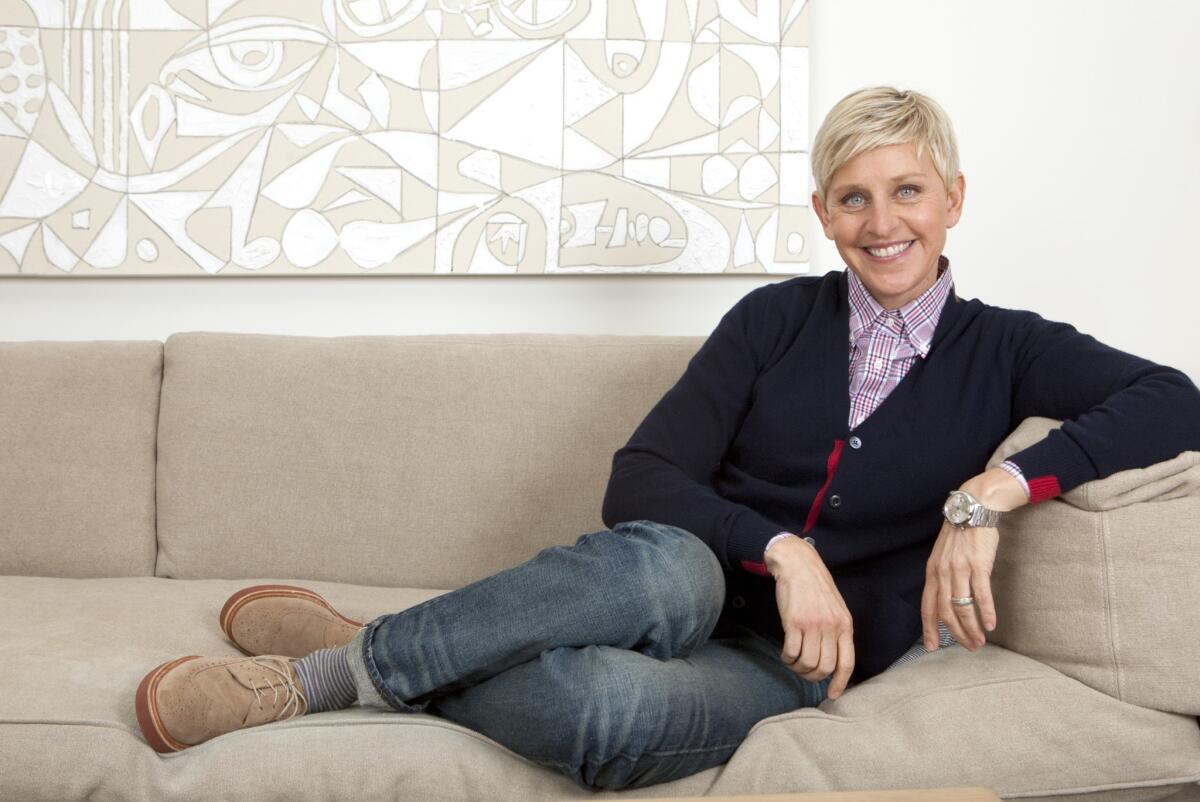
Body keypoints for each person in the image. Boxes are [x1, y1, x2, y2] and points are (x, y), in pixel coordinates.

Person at [133, 87, 1200, 790]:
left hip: (789, 666)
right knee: (665, 566)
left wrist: (993, 492)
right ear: (824, 214)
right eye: (855, 197)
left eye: (908, 191)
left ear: (953, 199)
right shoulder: (773, 320)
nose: (885, 223)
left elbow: (1175, 396)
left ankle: (400, 640)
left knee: (595, 709)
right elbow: (640, 476)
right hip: (678, 584)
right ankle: (323, 679)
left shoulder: (1007, 349)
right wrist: (782, 550)